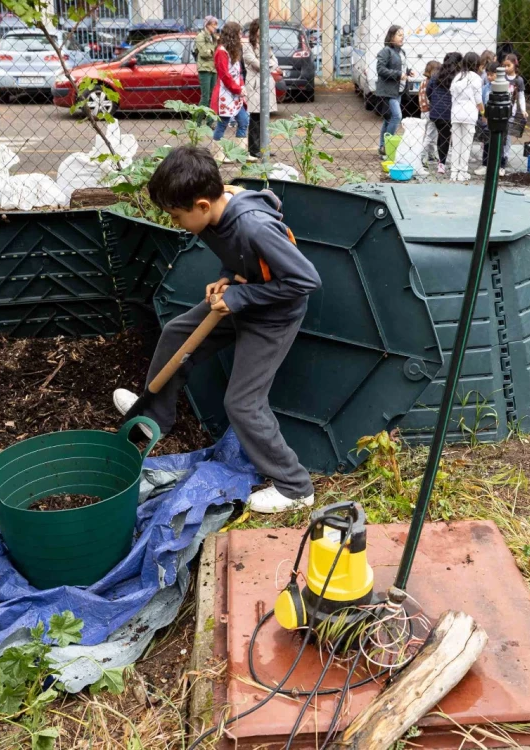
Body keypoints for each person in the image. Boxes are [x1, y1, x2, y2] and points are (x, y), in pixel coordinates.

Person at [114, 146, 321, 514]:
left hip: (274, 317)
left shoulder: (253, 225)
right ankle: (153, 419)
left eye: (177, 216)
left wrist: (241, 297)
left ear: (203, 206)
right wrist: (227, 278)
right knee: (177, 333)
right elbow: (245, 258)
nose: (174, 223)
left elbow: (305, 280)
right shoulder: (214, 212)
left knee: (242, 403)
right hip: (244, 297)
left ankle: (295, 486)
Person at [210, 21, 248, 163]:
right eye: (239, 33)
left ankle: (240, 154)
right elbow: (225, 75)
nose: (240, 35)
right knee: (223, 123)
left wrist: (241, 87)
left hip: (236, 93)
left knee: (243, 120)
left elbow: (238, 73)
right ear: (233, 34)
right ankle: (217, 154)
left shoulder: (233, 50)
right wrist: (238, 89)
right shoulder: (221, 51)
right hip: (225, 94)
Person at [243, 18, 279, 161]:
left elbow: (275, 62)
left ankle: (264, 148)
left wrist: (267, 64)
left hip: (267, 84)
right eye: (261, 28)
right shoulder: (247, 46)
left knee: (265, 118)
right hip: (255, 84)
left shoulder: (266, 45)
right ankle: (253, 149)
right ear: (255, 30)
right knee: (255, 118)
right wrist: (268, 64)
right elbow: (257, 65)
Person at [376, 25, 412, 157]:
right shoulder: (386, 51)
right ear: (391, 37)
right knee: (397, 116)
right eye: (399, 35)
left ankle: (382, 147)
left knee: (388, 119)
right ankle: (387, 145)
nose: (402, 37)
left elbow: (400, 68)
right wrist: (398, 74)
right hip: (388, 91)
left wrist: (408, 72)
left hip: (399, 91)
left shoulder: (401, 52)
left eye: (403, 35)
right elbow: (380, 69)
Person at [449, 51, 484, 182]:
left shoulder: (457, 77)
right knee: (466, 144)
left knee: (456, 143)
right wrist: (483, 112)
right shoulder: (476, 78)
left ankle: (454, 172)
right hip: (469, 114)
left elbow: (452, 95)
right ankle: (462, 172)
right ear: (477, 64)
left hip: (456, 113)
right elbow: (478, 99)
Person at [427, 51, 463, 175]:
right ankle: (453, 163)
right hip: (451, 112)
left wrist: (434, 102)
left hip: (436, 112)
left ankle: (441, 164)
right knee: (451, 138)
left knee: (442, 136)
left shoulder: (436, 75)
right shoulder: (459, 77)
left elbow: (429, 91)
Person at [475, 62, 506, 177]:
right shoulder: (485, 88)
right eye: (488, 74)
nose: (489, 77)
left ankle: (501, 166)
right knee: (487, 142)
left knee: (500, 144)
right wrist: (484, 117)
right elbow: (482, 102)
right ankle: (485, 164)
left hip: (500, 120)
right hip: (488, 119)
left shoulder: (504, 88)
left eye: (492, 75)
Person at [503, 54, 528, 168]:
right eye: (504, 66)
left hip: (511, 111)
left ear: (515, 65)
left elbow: (521, 96)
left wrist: (523, 110)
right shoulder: (501, 77)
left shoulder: (519, 80)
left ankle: (505, 155)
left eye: (508, 65)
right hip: (500, 110)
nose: (506, 68)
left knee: (507, 135)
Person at [418, 60, 441, 162]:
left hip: (423, 111)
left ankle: (431, 155)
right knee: (430, 135)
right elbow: (430, 98)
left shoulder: (423, 81)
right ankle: (421, 156)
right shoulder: (432, 82)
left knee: (429, 134)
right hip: (430, 111)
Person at [195, 16, 219, 114]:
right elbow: (204, 53)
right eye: (214, 25)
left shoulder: (213, 37)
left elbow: (215, 52)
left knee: (213, 97)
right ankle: (197, 122)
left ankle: (210, 122)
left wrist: (211, 51)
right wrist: (213, 51)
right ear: (207, 25)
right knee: (205, 97)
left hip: (213, 69)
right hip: (204, 69)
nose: (215, 28)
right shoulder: (200, 36)